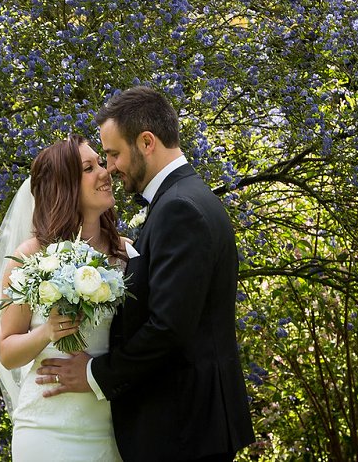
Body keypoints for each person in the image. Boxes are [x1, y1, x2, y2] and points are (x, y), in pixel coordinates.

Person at [36, 87, 255, 461]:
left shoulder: (179, 209)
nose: (110, 167)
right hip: (192, 425)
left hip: (184, 429)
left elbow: (169, 326)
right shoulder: (186, 198)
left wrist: (94, 374)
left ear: (147, 142)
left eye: (114, 154)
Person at [0, 135, 138, 461]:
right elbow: (7, 351)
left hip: (110, 427)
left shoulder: (125, 253)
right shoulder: (29, 257)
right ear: (64, 186)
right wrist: (48, 332)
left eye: (101, 162)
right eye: (88, 168)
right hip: (46, 427)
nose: (104, 171)